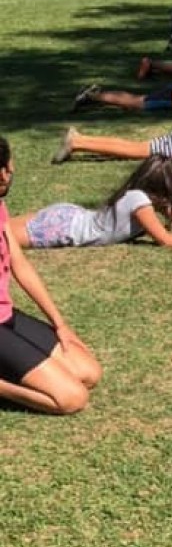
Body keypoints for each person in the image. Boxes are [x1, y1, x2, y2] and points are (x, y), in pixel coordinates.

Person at [0, 135, 102, 414]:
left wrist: (60, 324)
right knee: (72, 398)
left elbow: (19, 264)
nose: (13, 170)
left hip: (6, 316)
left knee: (88, 372)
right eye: (9, 166)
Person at [9, 155, 172, 250]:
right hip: (64, 228)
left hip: (68, 215)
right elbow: (166, 239)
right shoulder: (139, 201)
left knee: (4, 225)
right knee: (4, 241)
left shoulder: (141, 195)